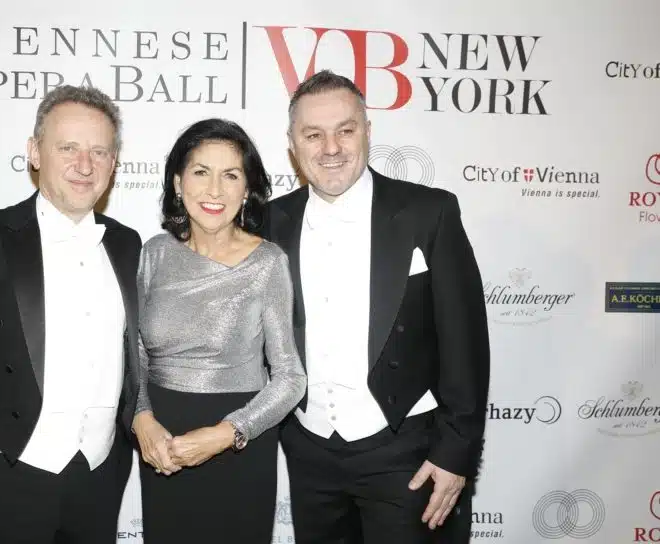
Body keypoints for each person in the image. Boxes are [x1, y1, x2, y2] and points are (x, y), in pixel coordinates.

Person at [0, 85, 142, 544]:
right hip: (2, 473)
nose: (84, 164)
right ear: (35, 153)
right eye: (68, 147)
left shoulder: (127, 244)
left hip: (97, 476)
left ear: (113, 165)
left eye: (99, 151)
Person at [264, 70, 490, 543]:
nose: (331, 148)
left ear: (368, 130)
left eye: (345, 130)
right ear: (292, 143)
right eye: (313, 134)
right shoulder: (270, 221)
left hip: (408, 452)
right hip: (310, 453)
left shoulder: (430, 211)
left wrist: (455, 453)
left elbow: (465, 342)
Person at [131, 118, 307, 543]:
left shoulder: (267, 263)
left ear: (246, 189)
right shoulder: (153, 253)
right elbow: (135, 350)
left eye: (230, 175)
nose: (215, 191)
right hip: (163, 442)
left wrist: (227, 433)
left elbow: (290, 377)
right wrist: (141, 419)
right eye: (200, 172)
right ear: (178, 182)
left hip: (239, 442)